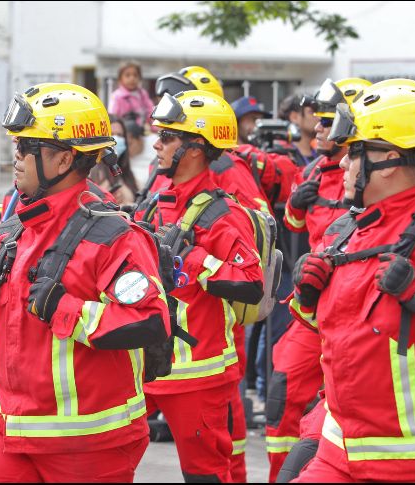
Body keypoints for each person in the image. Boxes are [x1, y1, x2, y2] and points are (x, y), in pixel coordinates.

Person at [0, 83, 169, 482]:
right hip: (11, 427)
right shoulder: (15, 227)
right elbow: (3, 329)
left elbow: (150, 321)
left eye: (25, 148)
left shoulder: (113, 235)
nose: (15, 157)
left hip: (89, 441)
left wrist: (65, 308)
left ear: (64, 158)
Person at [289, 79, 415, 482]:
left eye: (354, 153)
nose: (342, 164)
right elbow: (327, 330)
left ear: (390, 159)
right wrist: (306, 297)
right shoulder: (345, 228)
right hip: (338, 449)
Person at [135, 90, 264, 482]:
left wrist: (193, 259)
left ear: (194, 148)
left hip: (198, 375)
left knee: (205, 475)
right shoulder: (157, 203)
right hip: (146, 363)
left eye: (167, 137)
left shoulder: (222, 215)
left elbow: (251, 283)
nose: (156, 144)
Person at [266, 77, 371, 482]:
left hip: (358, 313)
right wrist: (295, 203)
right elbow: (294, 225)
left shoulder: (375, 180)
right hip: (314, 302)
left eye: (329, 122)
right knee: (281, 394)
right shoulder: (312, 170)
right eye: (320, 121)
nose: (320, 129)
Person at [89, 115, 139, 205]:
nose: (116, 139)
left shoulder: (127, 174)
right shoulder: (92, 172)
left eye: (120, 135)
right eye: (111, 134)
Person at [108, 60, 155, 130]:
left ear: (140, 78)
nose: (132, 78)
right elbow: (113, 117)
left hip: (142, 132)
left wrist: (154, 128)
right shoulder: (117, 96)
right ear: (120, 79)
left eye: (135, 75)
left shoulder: (142, 94)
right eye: (127, 75)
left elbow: (151, 113)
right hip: (125, 133)